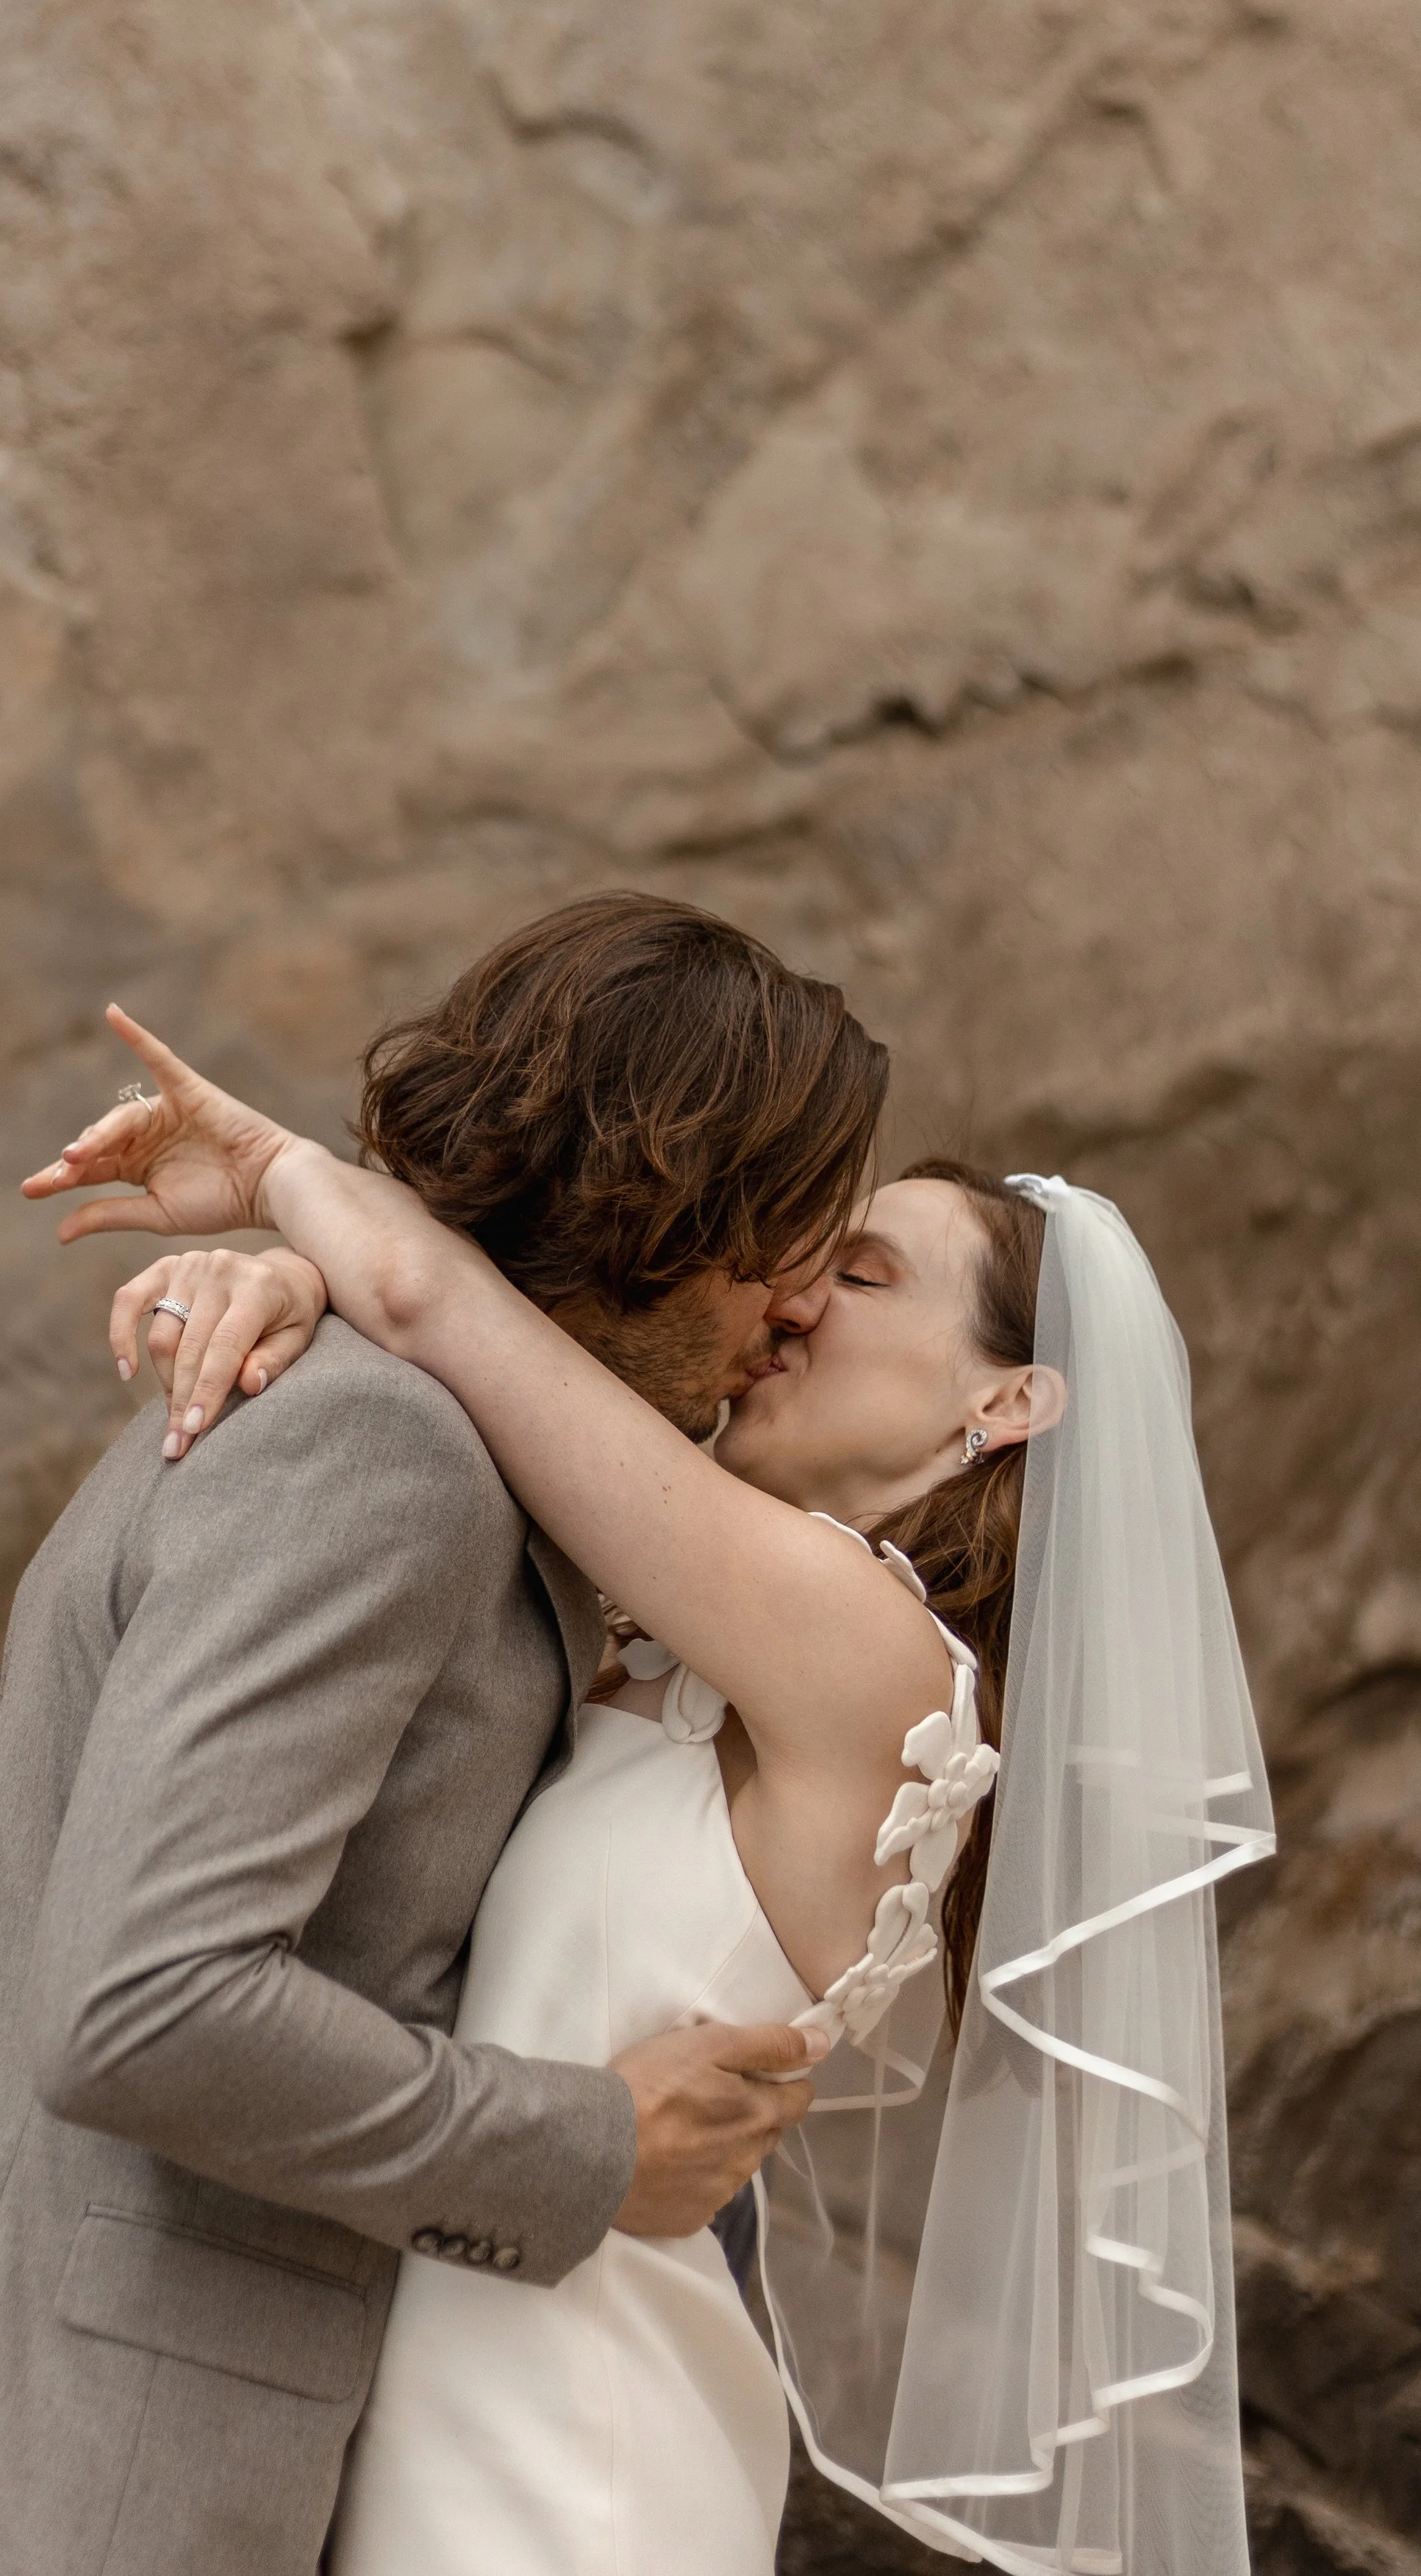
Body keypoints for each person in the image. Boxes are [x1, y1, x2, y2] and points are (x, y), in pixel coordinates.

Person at [34, 1013, 1276, 2574]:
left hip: (572, 2439)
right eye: (809, 1263)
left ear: (1007, 1405)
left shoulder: (880, 1663)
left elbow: (447, 1313)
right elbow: (495, 1376)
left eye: (868, 1277)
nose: (801, 1300)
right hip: (407, 2382)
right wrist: (293, 1284)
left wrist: (287, 1187)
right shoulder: (666, 1626)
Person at [1, 894, 887, 2576]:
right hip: (133, 2461)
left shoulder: (408, 1436)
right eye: (791, 1234)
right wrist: (591, 2149)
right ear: (670, 1197)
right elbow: (141, 2003)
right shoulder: (377, 1456)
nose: (803, 1303)